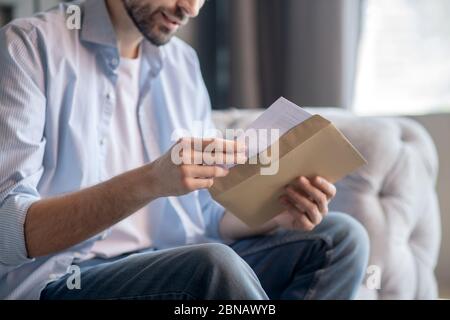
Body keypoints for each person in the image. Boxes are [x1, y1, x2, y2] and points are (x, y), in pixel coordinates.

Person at [0, 0, 369, 300]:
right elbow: (7, 231)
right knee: (210, 265)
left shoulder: (182, 63)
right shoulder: (28, 47)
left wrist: (278, 212)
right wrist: (150, 181)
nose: (191, 8)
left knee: (339, 238)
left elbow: (207, 217)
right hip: (70, 278)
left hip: (184, 259)